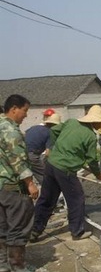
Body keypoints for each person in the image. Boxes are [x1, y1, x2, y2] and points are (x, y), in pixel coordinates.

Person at [31, 105, 101, 242]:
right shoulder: (90, 136)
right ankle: (77, 231)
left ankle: (34, 230)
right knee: (76, 198)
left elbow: (54, 131)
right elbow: (92, 160)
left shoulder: (71, 122)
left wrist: (57, 147)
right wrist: (98, 175)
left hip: (51, 164)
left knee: (47, 199)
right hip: (66, 170)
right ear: (95, 121)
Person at [0, 94, 39, 272]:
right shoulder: (10, 131)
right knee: (19, 227)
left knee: (2, 227)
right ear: (14, 108)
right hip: (12, 187)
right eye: (25, 111)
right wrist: (30, 183)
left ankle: (3, 265)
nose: (25, 115)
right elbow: (18, 160)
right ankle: (18, 267)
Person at [25, 113, 61, 185]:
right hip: (32, 155)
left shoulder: (34, 127)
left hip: (22, 154)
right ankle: (49, 193)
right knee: (46, 175)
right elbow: (48, 153)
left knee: (31, 175)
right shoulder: (50, 133)